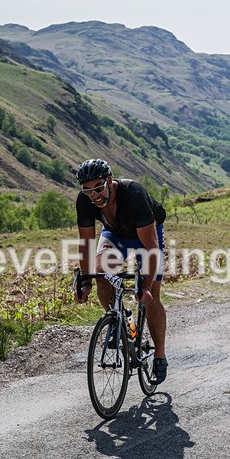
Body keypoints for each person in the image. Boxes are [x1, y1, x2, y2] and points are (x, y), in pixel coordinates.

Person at [73, 159, 169, 384]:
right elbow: (86, 243)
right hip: (115, 233)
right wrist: (85, 282)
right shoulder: (85, 201)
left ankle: (160, 355)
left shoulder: (133, 193)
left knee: (150, 297)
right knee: (102, 273)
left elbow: (151, 247)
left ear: (109, 180)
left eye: (98, 188)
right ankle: (119, 321)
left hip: (145, 235)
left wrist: (145, 287)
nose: (94, 196)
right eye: (87, 191)